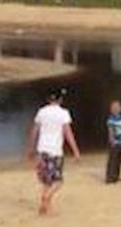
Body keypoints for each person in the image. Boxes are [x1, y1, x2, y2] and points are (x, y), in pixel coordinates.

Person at [26, 88, 81, 216]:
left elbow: (34, 131)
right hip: (55, 151)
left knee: (46, 180)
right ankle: (47, 197)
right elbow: (68, 133)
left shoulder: (42, 112)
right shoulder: (63, 113)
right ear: (60, 100)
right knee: (58, 181)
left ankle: (45, 206)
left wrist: (30, 149)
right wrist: (76, 151)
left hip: (42, 150)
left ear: (48, 99)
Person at [105, 100, 121, 183]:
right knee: (113, 160)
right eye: (114, 107)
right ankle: (110, 177)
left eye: (117, 107)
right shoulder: (111, 119)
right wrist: (112, 140)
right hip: (115, 142)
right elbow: (110, 130)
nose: (116, 109)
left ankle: (116, 176)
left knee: (119, 160)